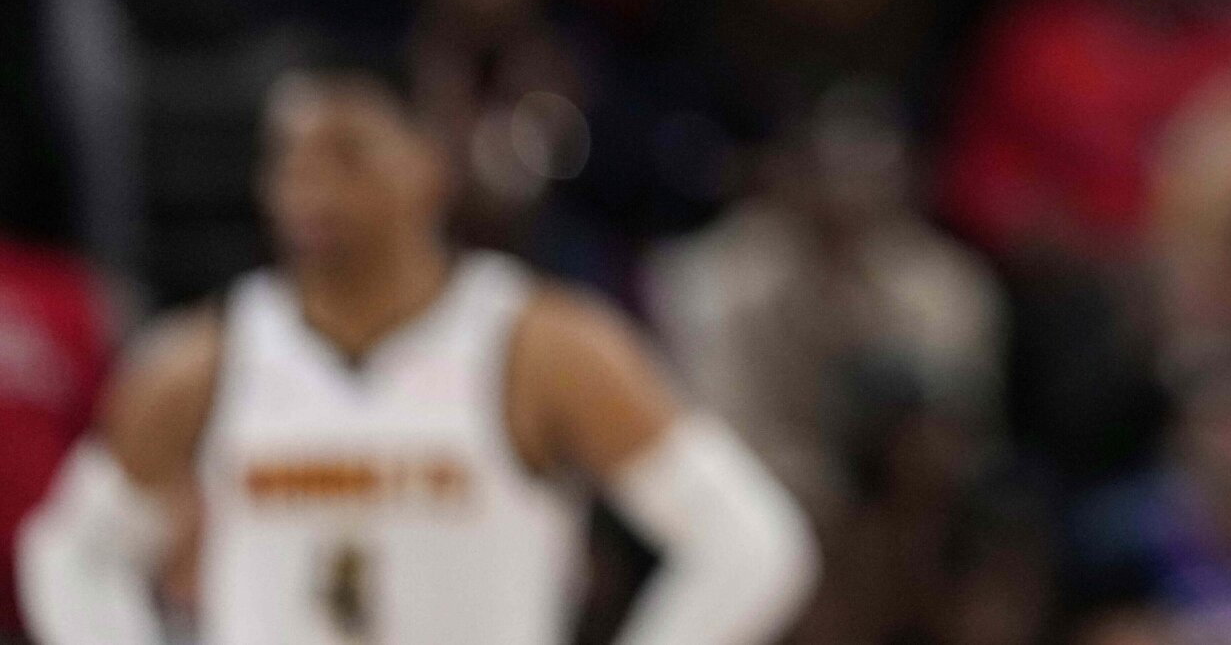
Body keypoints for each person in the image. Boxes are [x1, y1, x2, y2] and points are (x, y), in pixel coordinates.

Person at [15, 54, 817, 645]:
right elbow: (66, 555)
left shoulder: (539, 349)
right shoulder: (204, 361)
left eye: (347, 154)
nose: (310, 187)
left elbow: (752, 545)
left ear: (428, 165)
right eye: (289, 159)